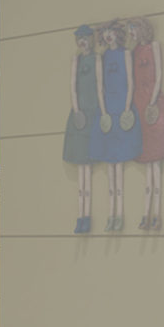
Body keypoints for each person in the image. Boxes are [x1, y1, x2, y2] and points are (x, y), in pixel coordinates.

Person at [89, 20, 142, 231]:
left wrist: (126, 108)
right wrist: (103, 112)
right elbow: (99, 87)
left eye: (112, 32)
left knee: (119, 163)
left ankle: (119, 213)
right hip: (108, 109)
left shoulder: (125, 54)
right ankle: (110, 213)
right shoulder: (102, 58)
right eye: (106, 33)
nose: (109, 36)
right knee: (109, 163)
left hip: (122, 108)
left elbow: (130, 83)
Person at [127, 17, 164, 230]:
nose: (131, 35)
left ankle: (156, 213)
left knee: (156, 162)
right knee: (147, 162)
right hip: (139, 103)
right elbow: (131, 81)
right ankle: (145, 213)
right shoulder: (133, 52)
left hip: (152, 102)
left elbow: (159, 75)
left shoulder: (153, 47)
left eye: (133, 30)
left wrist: (152, 100)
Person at [62, 25, 99, 233]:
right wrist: (77, 111)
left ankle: (87, 215)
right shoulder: (76, 61)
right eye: (79, 39)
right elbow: (72, 87)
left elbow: (100, 86)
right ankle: (80, 215)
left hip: (93, 113)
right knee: (80, 170)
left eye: (85, 38)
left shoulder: (97, 60)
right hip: (80, 115)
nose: (82, 42)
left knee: (88, 168)